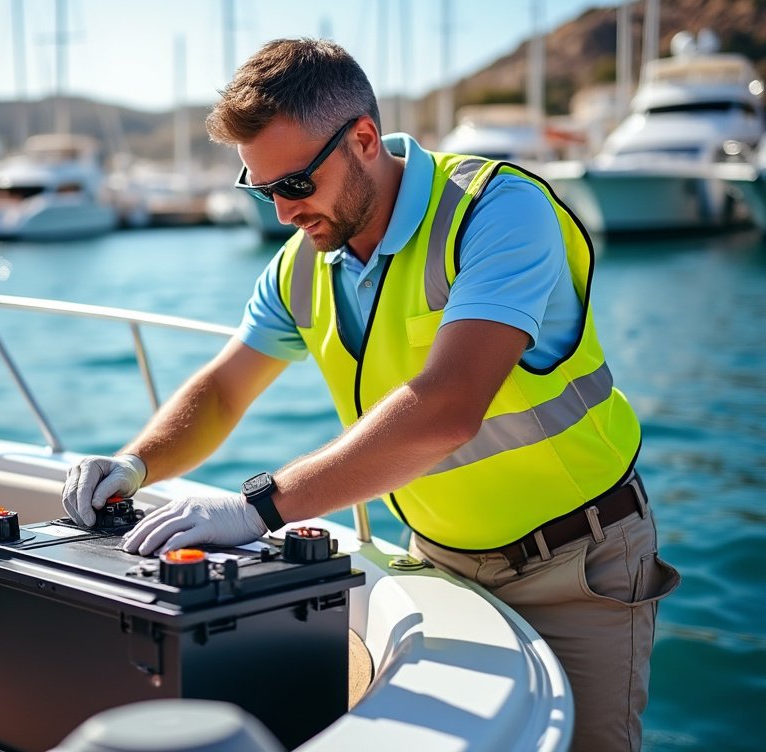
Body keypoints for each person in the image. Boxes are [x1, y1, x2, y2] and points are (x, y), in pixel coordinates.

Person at [62, 38, 679, 752]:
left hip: (580, 563)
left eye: (293, 186)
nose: (283, 214)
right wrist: (134, 465)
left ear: (362, 140)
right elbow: (224, 391)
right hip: (440, 561)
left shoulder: (498, 211)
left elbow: (447, 407)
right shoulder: (301, 266)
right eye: (262, 193)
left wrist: (254, 507)